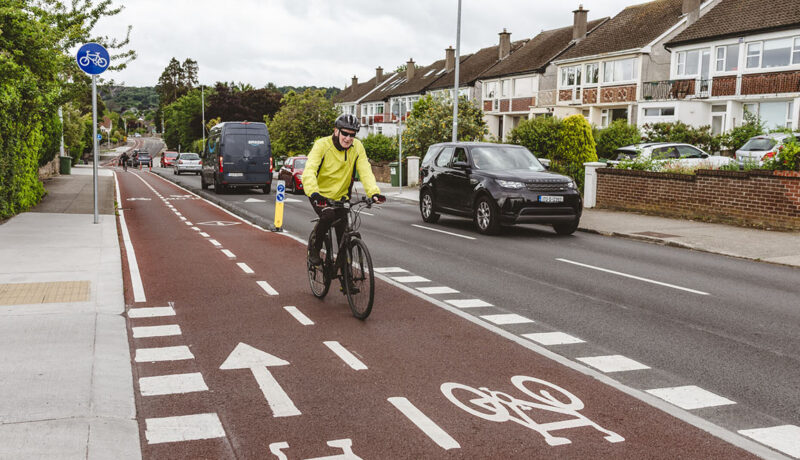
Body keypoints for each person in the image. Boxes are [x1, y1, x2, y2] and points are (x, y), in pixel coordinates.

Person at [303, 114, 386, 265]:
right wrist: (314, 193)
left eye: (352, 135)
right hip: (319, 195)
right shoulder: (322, 145)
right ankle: (314, 247)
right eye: (345, 133)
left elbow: (365, 171)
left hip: (342, 197)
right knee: (327, 216)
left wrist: (373, 192)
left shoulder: (357, 147)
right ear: (336, 131)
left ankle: (346, 280)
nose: (348, 138)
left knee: (344, 236)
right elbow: (309, 171)